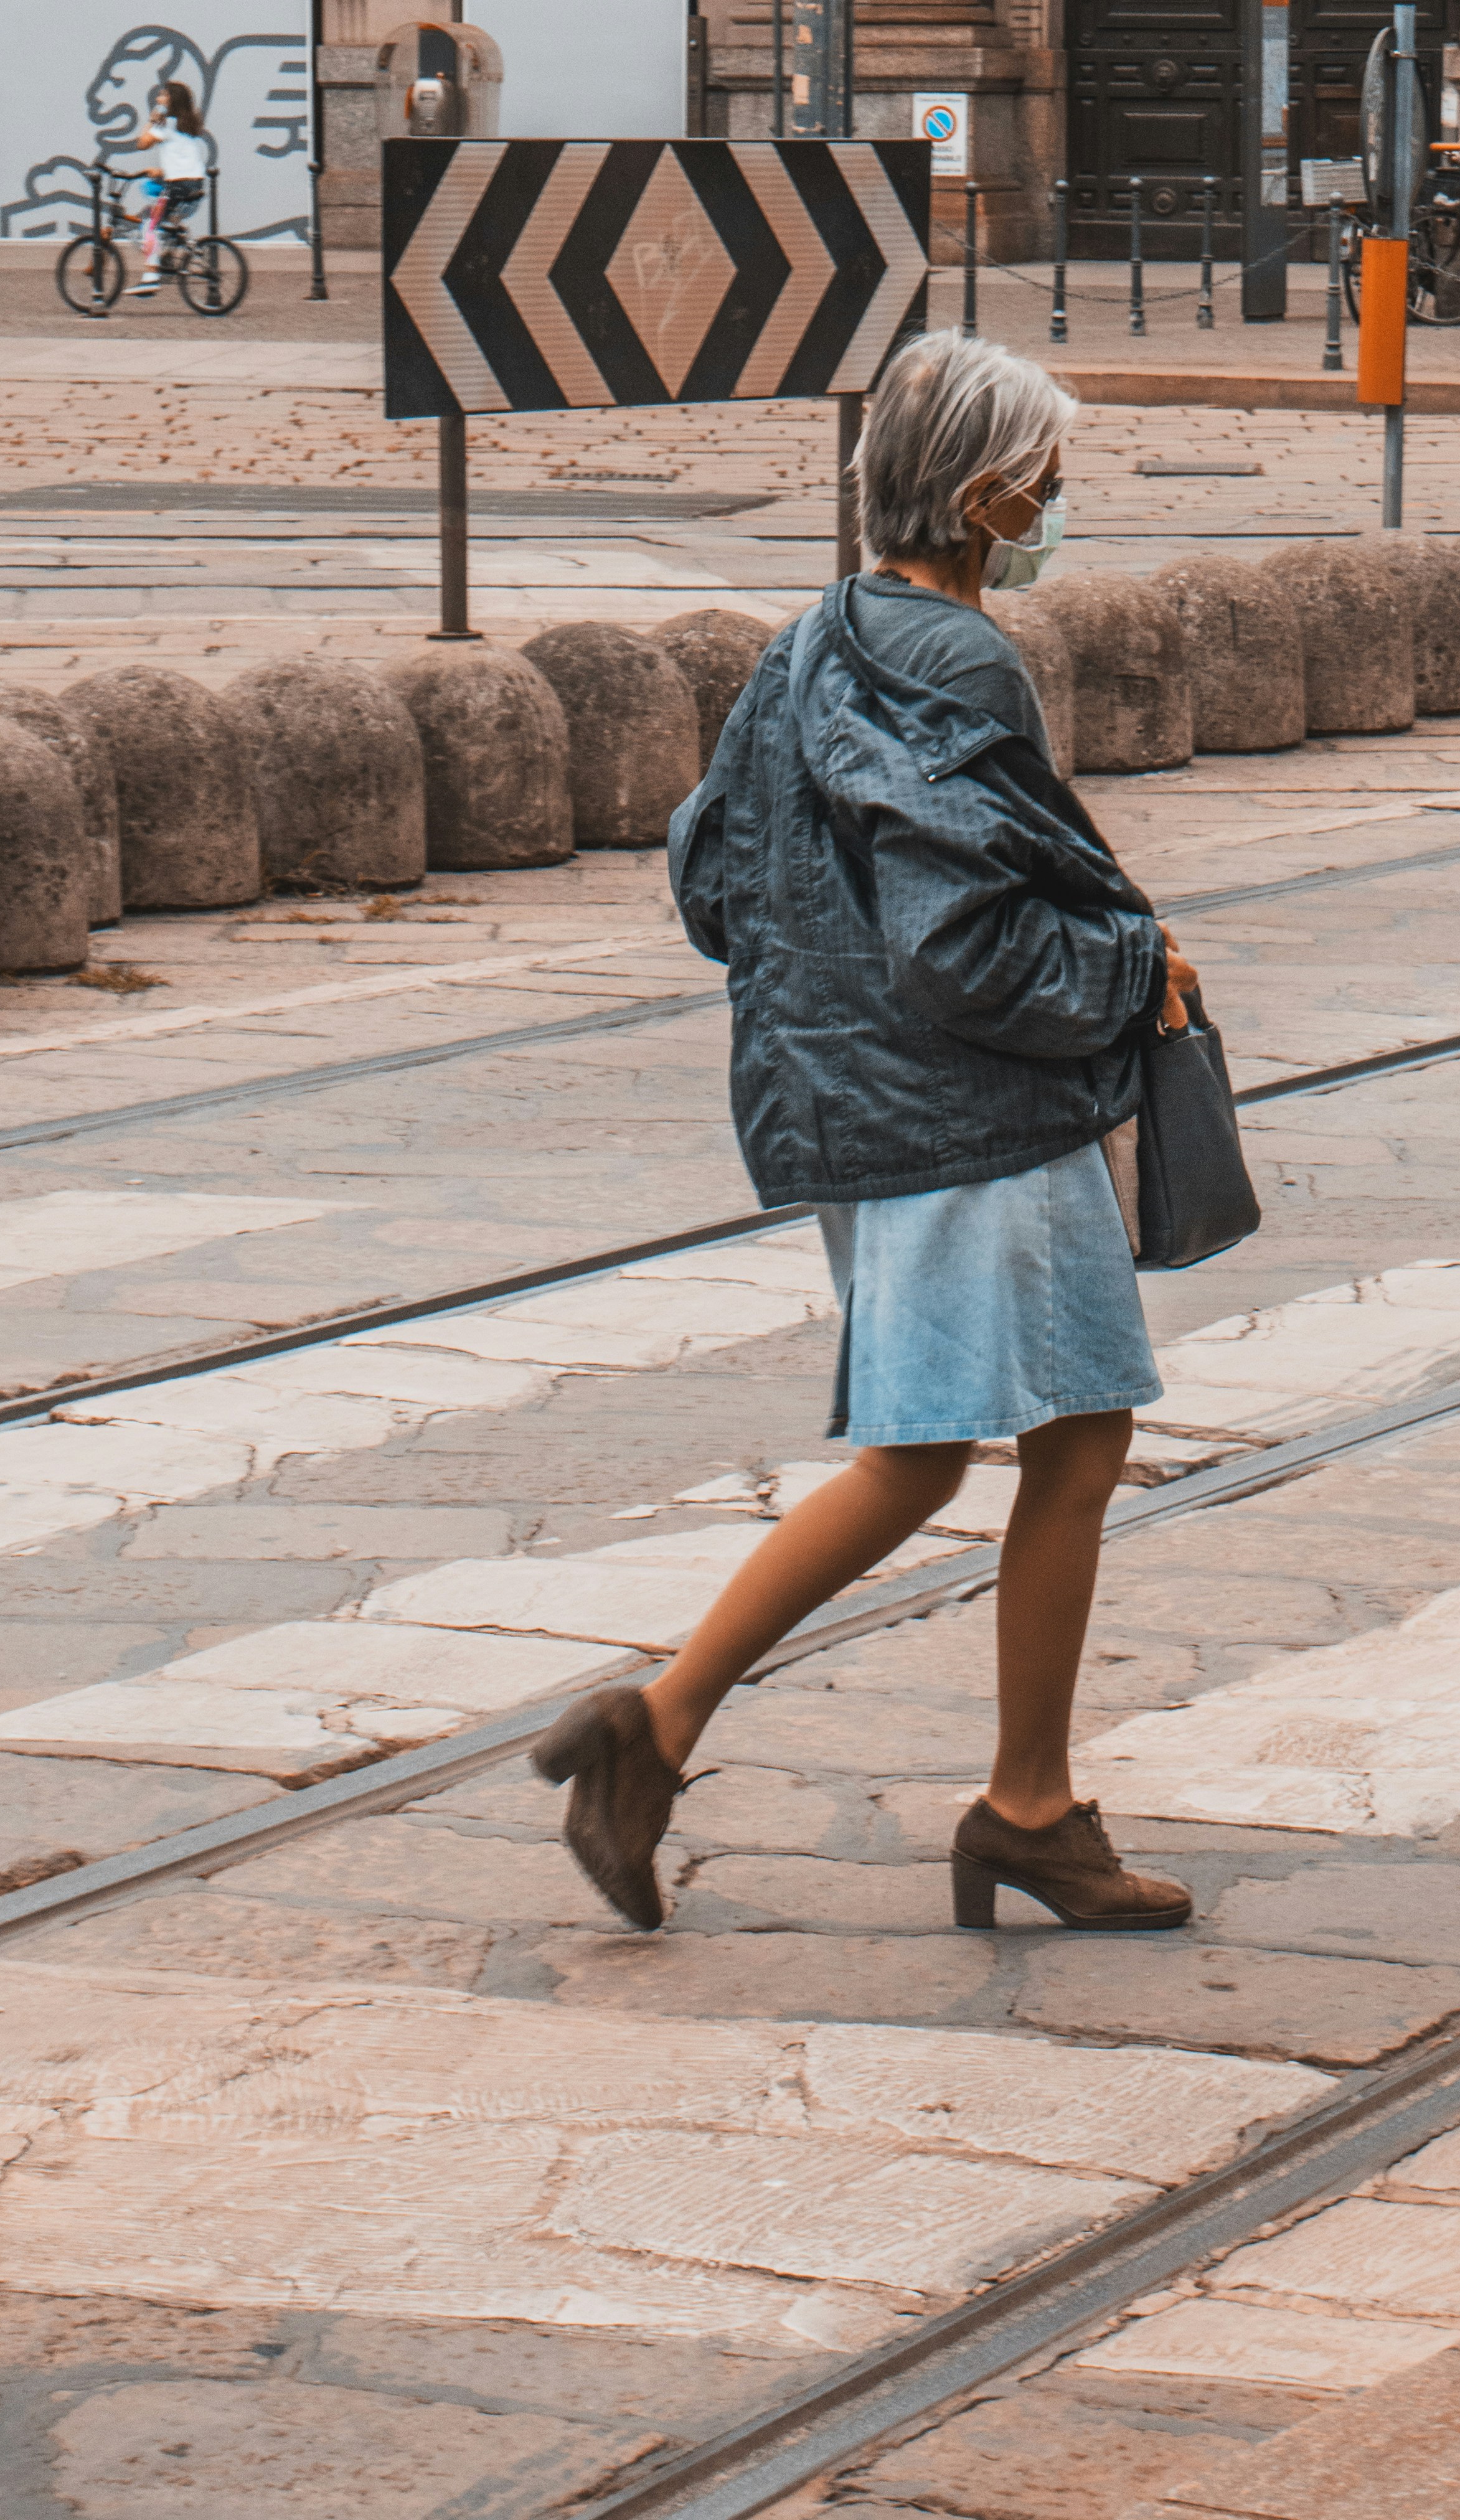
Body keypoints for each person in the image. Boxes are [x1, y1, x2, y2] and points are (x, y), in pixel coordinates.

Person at [535, 329, 1201, 1940]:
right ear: (980, 497)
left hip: (856, 1107)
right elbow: (964, 944)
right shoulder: (961, 661)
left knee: (1060, 1434)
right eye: (1044, 483)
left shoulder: (812, 637)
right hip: (971, 1117)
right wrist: (1130, 971)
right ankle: (675, 1726)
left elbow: (713, 881)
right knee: (943, 1450)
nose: (1055, 506)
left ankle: (1026, 1804)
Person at [129, 80, 209, 296]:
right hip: (194, 185)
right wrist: (161, 172)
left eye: (162, 96)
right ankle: (170, 253)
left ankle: (150, 278)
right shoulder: (186, 127)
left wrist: (153, 117)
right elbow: (182, 159)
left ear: (171, 101)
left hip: (178, 187)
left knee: (149, 225)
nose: (158, 99)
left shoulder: (166, 125)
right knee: (162, 216)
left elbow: (142, 143)